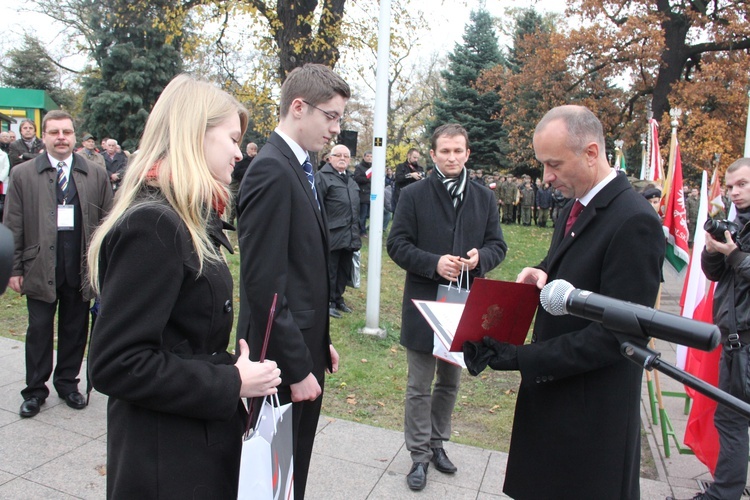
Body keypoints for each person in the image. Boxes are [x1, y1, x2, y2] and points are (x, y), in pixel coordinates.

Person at [86, 75, 282, 498]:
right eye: (231, 138)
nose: (237, 152)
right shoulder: (155, 223)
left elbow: (179, 338)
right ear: (195, 134)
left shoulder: (185, 215)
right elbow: (116, 362)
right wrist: (233, 382)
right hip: (166, 460)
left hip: (189, 443)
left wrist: (235, 366)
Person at [462, 105, 665, 499]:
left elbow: (618, 337)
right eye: (542, 164)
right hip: (557, 398)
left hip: (590, 417)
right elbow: (577, 269)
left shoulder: (633, 220)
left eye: (553, 163)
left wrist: (520, 358)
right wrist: (543, 273)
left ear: (591, 152)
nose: (546, 177)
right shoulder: (575, 205)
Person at [236, 63, 348, 500]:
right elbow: (265, 285)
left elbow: (301, 272)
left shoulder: (299, 167)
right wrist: (298, 366)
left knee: (289, 472)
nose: (336, 129)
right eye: (331, 116)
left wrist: (319, 340)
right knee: (271, 476)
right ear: (298, 107)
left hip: (300, 347)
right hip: (277, 361)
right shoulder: (271, 169)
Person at [387, 123, 507, 491]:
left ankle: (438, 444)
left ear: (467, 153)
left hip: (463, 304)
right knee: (419, 383)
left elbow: (497, 246)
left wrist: (479, 259)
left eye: (458, 151)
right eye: (445, 151)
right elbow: (397, 244)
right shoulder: (414, 194)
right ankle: (419, 455)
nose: (452, 157)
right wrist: (433, 263)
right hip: (424, 303)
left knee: (450, 381)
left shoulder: (484, 198)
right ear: (433, 154)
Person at [3, 110, 113, 419]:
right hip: (39, 266)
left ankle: (67, 384)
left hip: (79, 268)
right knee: (38, 330)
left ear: (75, 136)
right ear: (45, 136)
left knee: (74, 329)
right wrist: (13, 269)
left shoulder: (95, 173)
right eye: (54, 132)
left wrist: (104, 267)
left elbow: (107, 221)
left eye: (66, 131)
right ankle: (35, 390)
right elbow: (12, 223)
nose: (61, 137)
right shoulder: (23, 174)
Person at [683, 158, 750, 500]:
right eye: (731, 185)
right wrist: (712, 251)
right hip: (733, 341)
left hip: (746, 344)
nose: (735, 192)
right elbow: (717, 276)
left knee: (734, 420)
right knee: (731, 420)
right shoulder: (739, 224)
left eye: (743, 184)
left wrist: (735, 255)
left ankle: (723, 494)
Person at [315, 144, 361, 318]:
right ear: (330, 158)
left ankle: (338, 298)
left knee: (344, 269)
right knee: (330, 269)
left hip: (350, 234)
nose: (342, 158)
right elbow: (316, 206)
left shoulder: (350, 179)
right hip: (331, 234)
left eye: (346, 156)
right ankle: (327, 302)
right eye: (338, 155)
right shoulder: (322, 177)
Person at [228, 142, 257, 224]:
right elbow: (236, 172)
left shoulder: (257, 160)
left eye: (255, 149)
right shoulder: (242, 159)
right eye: (252, 149)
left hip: (250, 185)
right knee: (234, 202)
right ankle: (231, 220)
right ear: (248, 150)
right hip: (237, 183)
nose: (253, 151)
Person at [353, 150, 372, 237]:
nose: (369, 158)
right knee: (363, 215)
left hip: (372, 195)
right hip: (363, 194)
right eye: (367, 156)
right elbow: (357, 178)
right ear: (364, 157)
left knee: (370, 214)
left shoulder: (374, 167)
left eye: (371, 156)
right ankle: (362, 231)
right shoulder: (359, 167)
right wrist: (367, 178)